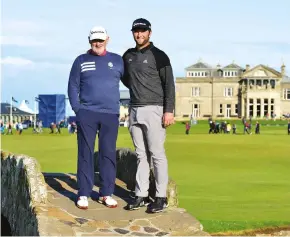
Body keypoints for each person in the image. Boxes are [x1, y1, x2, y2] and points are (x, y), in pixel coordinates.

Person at [122, 18, 175, 213]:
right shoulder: (127, 56)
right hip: (134, 109)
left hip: (155, 109)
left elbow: (169, 84)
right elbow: (127, 79)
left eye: (143, 31)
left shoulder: (159, 56)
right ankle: (141, 194)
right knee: (140, 155)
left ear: (149, 33)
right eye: (136, 31)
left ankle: (161, 197)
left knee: (157, 154)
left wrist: (168, 110)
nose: (139, 34)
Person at [68, 26, 124, 209]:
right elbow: (73, 87)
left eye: (100, 40)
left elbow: (132, 81)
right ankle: (83, 192)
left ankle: (106, 193)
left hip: (110, 114)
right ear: (89, 40)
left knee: (108, 154)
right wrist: (79, 110)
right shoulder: (81, 60)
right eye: (94, 40)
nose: (97, 43)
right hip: (87, 113)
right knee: (85, 153)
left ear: (107, 39)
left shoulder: (117, 61)